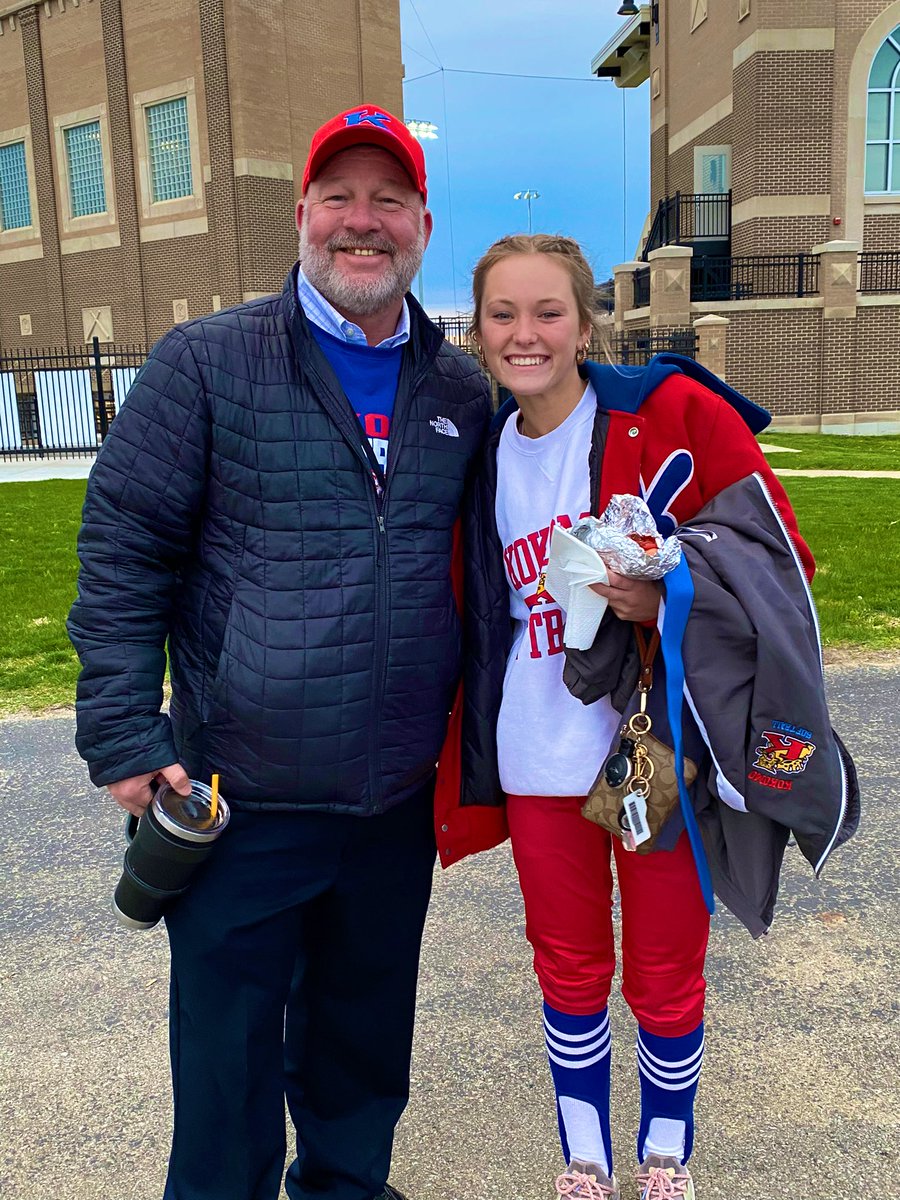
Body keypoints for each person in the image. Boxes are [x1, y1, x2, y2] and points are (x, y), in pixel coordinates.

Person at [67, 104, 493, 1200]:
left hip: (390, 804)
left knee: (359, 1063)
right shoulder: (206, 364)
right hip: (239, 799)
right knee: (226, 1073)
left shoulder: (457, 390)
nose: (364, 223)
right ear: (302, 215)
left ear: (423, 226)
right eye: (341, 199)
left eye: (387, 201)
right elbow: (123, 550)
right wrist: (122, 729)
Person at [430, 234, 857, 1200]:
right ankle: (585, 1156)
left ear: (588, 324)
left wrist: (665, 594)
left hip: (646, 752)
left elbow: (784, 559)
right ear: (480, 333)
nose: (525, 334)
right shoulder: (480, 454)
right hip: (539, 756)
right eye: (503, 315)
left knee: (664, 965)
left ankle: (666, 1152)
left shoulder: (670, 413)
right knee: (568, 966)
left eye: (549, 313)